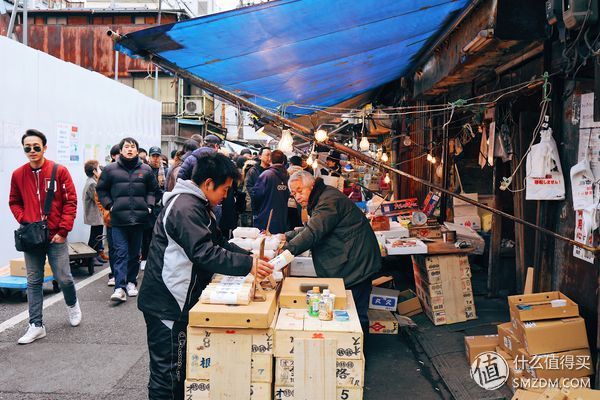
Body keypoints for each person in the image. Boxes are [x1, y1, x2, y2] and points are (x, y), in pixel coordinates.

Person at [138, 152, 274, 400]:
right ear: (208, 183)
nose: (225, 195)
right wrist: (247, 265)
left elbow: (219, 241)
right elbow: (205, 252)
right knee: (168, 373)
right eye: (225, 189)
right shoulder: (185, 207)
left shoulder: (198, 204)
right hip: (168, 302)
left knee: (177, 370)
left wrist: (250, 258)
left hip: (177, 298)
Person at [9, 129, 82, 344]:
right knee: (33, 281)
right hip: (31, 236)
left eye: (36, 147)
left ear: (45, 147)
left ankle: (72, 304)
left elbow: (71, 202)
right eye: (27, 148)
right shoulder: (18, 174)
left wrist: (63, 231)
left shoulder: (59, 171)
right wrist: (25, 219)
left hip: (55, 235)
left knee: (64, 277)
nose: (32, 151)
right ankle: (36, 324)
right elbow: (14, 201)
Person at [284, 171, 381, 328]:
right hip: (351, 258)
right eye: (294, 193)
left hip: (355, 262)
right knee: (350, 310)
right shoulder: (322, 197)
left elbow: (313, 231)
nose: (297, 197)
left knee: (355, 313)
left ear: (312, 185)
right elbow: (313, 226)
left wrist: (286, 251)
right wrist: (287, 236)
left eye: (300, 190)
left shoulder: (328, 200)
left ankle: (359, 350)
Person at [96, 137, 159, 302]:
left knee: (134, 253)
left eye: (132, 147)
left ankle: (131, 282)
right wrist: (109, 205)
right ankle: (119, 287)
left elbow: (152, 190)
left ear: (137, 151)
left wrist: (149, 206)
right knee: (120, 253)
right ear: (121, 150)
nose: (129, 149)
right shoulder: (110, 170)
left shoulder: (146, 170)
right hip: (118, 220)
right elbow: (101, 189)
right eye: (126, 147)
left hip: (139, 219)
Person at [253, 150, 290, 234]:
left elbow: (256, 195)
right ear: (283, 161)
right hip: (282, 217)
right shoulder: (288, 176)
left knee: (264, 243)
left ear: (270, 160)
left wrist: (256, 212)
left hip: (265, 216)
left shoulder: (266, 175)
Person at [142, 146, 167, 266]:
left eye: (158, 156)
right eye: (153, 156)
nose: (156, 158)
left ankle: (155, 259)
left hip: (160, 207)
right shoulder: (145, 170)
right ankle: (144, 258)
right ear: (149, 157)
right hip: (149, 207)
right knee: (146, 235)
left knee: (158, 235)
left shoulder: (165, 170)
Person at [82, 160, 105, 266]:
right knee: (95, 236)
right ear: (94, 171)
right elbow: (98, 198)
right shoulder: (92, 184)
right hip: (94, 214)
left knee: (97, 235)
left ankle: (95, 256)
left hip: (95, 215)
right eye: (98, 168)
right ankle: (91, 258)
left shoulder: (92, 181)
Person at [245, 147, 271, 224]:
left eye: (271, 155)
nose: (269, 158)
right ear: (260, 156)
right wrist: (259, 196)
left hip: (270, 207)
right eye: (267, 155)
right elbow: (249, 187)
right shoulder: (253, 171)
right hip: (258, 207)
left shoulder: (272, 171)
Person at [287, 156, 304, 230]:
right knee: (298, 226)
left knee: (288, 225)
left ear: (291, 163)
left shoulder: (285, 172)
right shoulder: (305, 174)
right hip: (300, 202)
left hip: (287, 202)